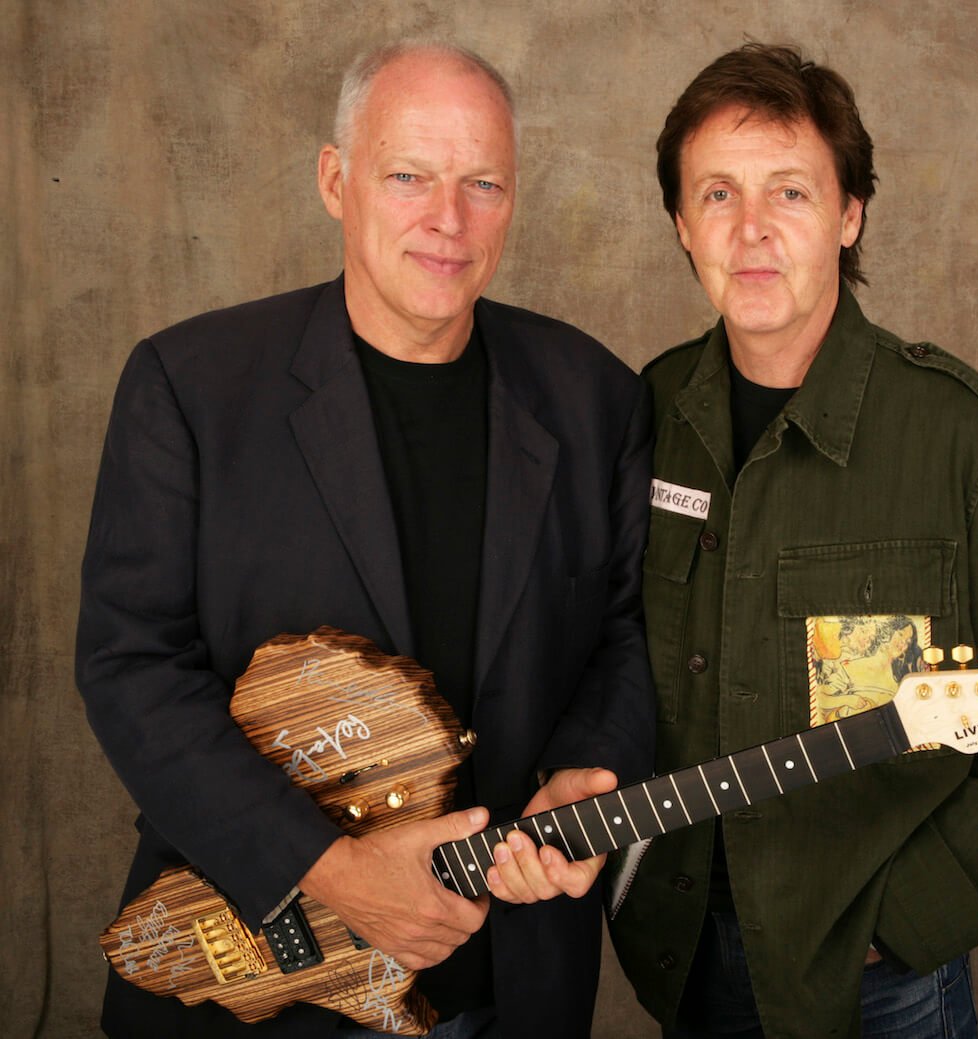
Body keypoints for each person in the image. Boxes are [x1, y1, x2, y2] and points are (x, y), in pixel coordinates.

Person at [76, 37, 655, 1039]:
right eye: (407, 176)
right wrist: (332, 871)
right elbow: (131, 666)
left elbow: (629, 630)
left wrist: (591, 768)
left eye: (483, 182)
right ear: (336, 181)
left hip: (511, 982)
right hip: (267, 976)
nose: (449, 218)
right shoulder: (191, 388)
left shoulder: (594, 395)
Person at [608, 42, 978, 1038]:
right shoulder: (638, 417)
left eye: (788, 192)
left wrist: (912, 921)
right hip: (686, 954)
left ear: (848, 214)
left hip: (878, 981)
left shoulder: (972, 442)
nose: (751, 232)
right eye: (716, 196)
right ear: (679, 226)